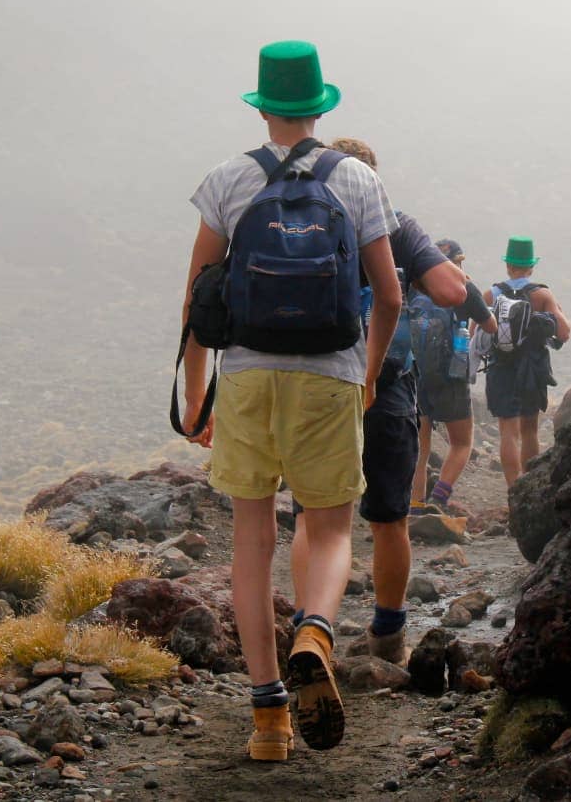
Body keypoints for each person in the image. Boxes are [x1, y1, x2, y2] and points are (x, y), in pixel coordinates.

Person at [180, 42, 401, 761]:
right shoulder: (359, 179)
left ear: (264, 105)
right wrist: (365, 371)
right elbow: (391, 295)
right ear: (317, 106)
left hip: (245, 378)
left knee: (252, 545)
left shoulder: (229, 178)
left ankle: (270, 722)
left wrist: (195, 398)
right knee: (333, 530)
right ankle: (315, 631)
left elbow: (197, 298)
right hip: (331, 374)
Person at [287, 140, 493, 666]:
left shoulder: (294, 222)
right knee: (390, 519)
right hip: (384, 384)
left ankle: (308, 628)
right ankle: (387, 636)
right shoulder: (395, 224)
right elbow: (452, 289)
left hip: (311, 384)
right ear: (373, 179)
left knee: (311, 516)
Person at [483, 236, 571, 486]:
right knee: (529, 428)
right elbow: (564, 333)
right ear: (531, 267)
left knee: (507, 432)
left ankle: (513, 488)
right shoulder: (542, 294)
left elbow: (476, 333)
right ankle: (529, 486)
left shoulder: (491, 294)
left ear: (508, 266)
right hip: (532, 369)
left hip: (500, 367)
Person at [412, 239, 479, 516]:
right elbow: (490, 325)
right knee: (462, 442)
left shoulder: (413, 288)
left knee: (420, 445)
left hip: (416, 376)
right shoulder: (464, 288)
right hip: (451, 376)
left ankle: (414, 505)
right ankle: (439, 498)